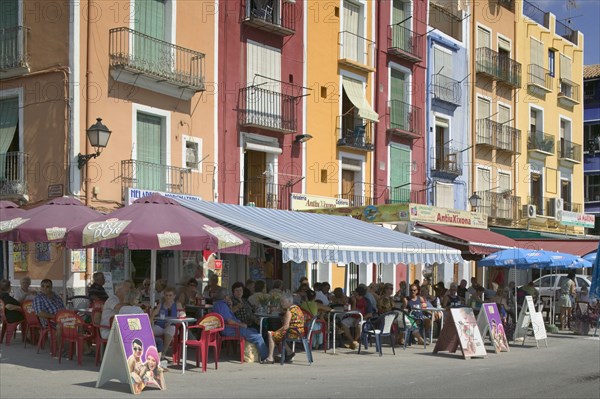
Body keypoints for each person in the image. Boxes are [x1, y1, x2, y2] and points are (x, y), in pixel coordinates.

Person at [212, 287, 268, 362]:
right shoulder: (222, 305)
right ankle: (265, 357)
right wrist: (241, 324)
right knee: (258, 336)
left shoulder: (218, 304)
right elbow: (229, 321)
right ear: (226, 296)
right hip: (232, 329)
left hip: (229, 328)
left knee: (255, 330)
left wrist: (230, 306)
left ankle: (255, 354)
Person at [264, 292, 305, 364]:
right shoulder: (297, 308)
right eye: (281, 302)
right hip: (299, 332)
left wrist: (276, 332)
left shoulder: (289, 311)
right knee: (278, 335)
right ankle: (289, 352)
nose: (281, 304)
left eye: (283, 302)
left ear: (289, 301)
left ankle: (270, 358)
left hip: (292, 333)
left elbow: (286, 326)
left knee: (271, 334)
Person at [32, 279, 65, 352]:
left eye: (47, 286)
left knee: (79, 324)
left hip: (61, 318)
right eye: (43, 286)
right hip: (49, 321)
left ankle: (85, 349)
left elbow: (63, 309)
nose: (44, 288)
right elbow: (39, 313)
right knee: (59, 326)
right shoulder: (38, 298)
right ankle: (60, 350)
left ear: (51, 287)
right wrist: (54, 317)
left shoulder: (57, 297)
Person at [150, 286, 182, 358]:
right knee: (149, 331)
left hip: (171, 325)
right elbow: (154, 314)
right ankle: (150, 351)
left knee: (170, 329)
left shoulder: (177, 304)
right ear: (164, 296)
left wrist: (181, 314)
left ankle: (163, 353)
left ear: (174, 296)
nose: (168, 297)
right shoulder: (161, 304)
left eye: (170, 295)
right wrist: (152, 315)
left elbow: (182, 314)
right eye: (166, 295)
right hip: (160, 326)